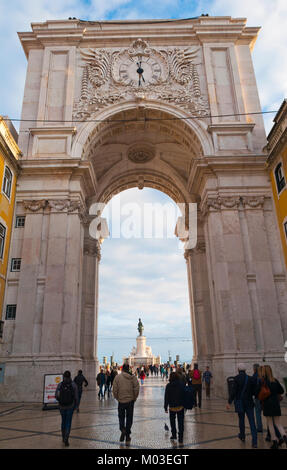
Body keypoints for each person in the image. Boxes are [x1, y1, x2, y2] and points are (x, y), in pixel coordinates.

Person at [226, 363, 258, 448]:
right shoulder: (250, 379)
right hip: (249, 403)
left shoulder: (236, 379)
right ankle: (254, 442)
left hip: (240, 403)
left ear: (238, 370)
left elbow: (233, 392)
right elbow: (255, 392)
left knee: (241, 420)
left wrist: (229, 402)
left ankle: (242, 436)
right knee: (252, 422)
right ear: (245, 370)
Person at [257, 365, 287, 449]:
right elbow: (282, 391)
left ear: (264, 372)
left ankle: (275, 441)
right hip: (275, 404)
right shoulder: (275, 380)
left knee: (270, 423)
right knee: (278, 423)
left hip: (267, 404)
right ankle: (284, 436)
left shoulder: (263, 382)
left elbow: (258, 393)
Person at [112, 363, 140, 444]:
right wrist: (134, 398)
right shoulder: (133, 377)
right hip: (130, 401)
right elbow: (136, 388)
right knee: (129, 418)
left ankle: (122, 429)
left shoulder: (117, 377)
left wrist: (117, 397)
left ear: (122, 369)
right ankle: (127, 435)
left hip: (121, 401)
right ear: (129, 369)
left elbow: (115, 389)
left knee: (121, 417)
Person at [55, 370, 79, 447]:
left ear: (64, 376)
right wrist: (76, 406)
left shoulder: (60, 385)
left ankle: (63, 437)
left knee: (63, 421)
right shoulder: (73, 385)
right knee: (68, 422)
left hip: (62, 406)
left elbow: (56, 395)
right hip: (70, 406)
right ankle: (66, 438)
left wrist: (60, 401)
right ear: (70, 376)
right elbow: (76, 397)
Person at [164, 372, 185, 445]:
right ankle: (181, 438)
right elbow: (184, 394)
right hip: (180, 406)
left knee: (172, 422)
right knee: (181, 422)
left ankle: (174, 435)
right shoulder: (181, 384)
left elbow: (166, 397)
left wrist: (165, 407)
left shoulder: (168, 386)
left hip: (172, 407)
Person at [252, 364, 263, 432]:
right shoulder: (263, 375)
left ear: (254, 369)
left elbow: (254, 387)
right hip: (265, 396)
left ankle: (259, 427)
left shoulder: (255, 376)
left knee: (258, 412)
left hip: (258, 397)